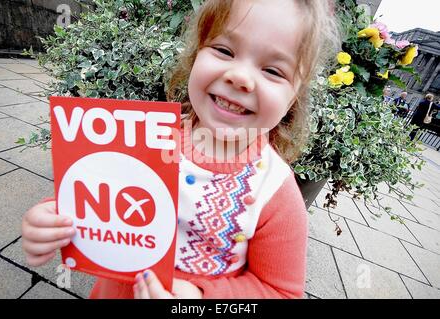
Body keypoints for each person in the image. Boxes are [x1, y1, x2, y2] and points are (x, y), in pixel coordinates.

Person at [21, 0, 339, 299]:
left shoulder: (273, 193)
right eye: (224, 50)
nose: (240, 77)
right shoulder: (145, 137)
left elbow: (279, 292)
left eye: (273, 71)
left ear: (294, 98)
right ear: (196, 53)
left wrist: (201, 296)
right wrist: (51, 219)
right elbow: (96, 193)